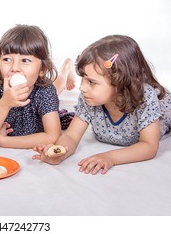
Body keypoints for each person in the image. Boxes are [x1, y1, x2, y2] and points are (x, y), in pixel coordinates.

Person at [33, 35, 171, 174]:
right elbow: (70, 137)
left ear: (120, 82)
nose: (82, 88)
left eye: (92, 82)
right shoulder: (88, 98)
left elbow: (149, 146)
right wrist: (58, 152)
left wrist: (110, 157)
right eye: (83, 80)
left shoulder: (145, 97)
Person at [0, 24, 75, 148]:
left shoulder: (45, 92)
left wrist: (4, 141)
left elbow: (53, 136)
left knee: (57, 86)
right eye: (7, 59)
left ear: (42, 69)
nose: (14, 68)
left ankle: (66, 68)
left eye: (25, 61)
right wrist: (4, 104)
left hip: (42, 88)